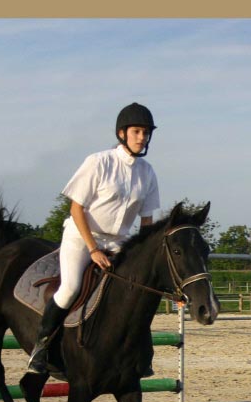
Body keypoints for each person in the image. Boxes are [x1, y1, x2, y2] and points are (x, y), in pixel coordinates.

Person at [26, 103, 161, 374]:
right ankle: (40, 351)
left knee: (137, 291)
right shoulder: (98, 162)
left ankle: (139, 352)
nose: (142, 137)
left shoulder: (147, 172)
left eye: (146, 133)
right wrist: (93, 249)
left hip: (120, 241)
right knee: (71, 287)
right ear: (122, 133)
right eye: (137, 131)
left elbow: (147, 223)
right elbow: (76, 209)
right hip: (82, 236)